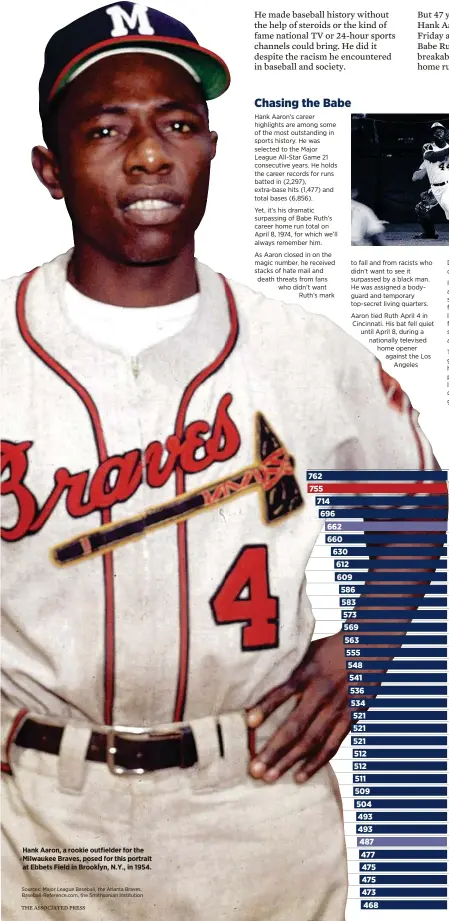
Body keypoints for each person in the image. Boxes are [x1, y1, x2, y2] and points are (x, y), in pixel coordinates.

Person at [1, 4, 436, 921]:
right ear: (50, 168)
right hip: (34, 805)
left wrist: (364, 651)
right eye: (106, 128)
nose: (150, 154)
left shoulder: (303, 349)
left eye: (178, 123)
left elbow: (418, 503)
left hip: (255, 798)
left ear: (210, 149)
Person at [412, 121, 449, 239]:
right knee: (421, 208)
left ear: (446, 133)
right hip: (434, 188)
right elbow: (432, 157)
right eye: (435, 130)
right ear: (432, 134)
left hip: (448, 185)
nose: (438, 132)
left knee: (447, 205)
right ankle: (430, 233)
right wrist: (428, 169)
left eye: (441, 130)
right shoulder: (428, 147)